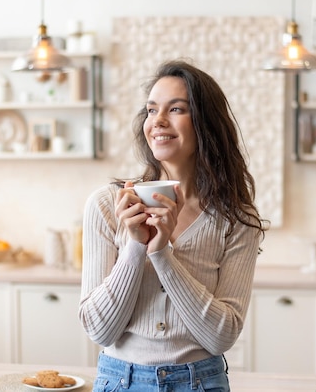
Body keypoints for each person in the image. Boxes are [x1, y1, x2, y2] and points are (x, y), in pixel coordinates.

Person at [79, 59, 267, 392]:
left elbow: (222, 336)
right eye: (151, 111)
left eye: (176, 109)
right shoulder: (108, 206)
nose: (158, 121)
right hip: (120, 381)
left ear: (205, 123)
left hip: (201, 382)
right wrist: (136, 246)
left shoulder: (237, 219)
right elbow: (98, 330)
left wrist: (162, 254)